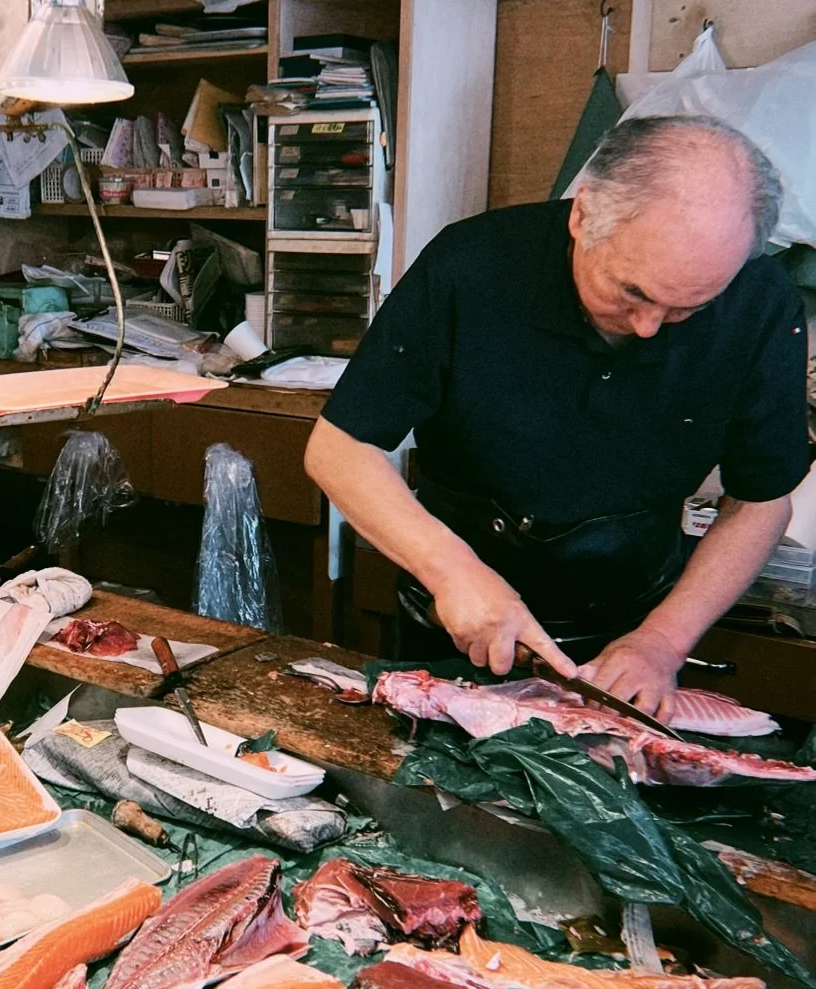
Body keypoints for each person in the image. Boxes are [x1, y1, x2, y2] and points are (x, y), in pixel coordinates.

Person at [305, 115, 810, 716]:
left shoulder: (760, 304)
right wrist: (450, 569)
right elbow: (339, 448)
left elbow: (760, 499)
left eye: (687, 309)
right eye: (633, 293)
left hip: (633, 620)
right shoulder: (471, 266)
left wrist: (663, 641)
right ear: (582, 215)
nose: (650, 328)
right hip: (456, 608)